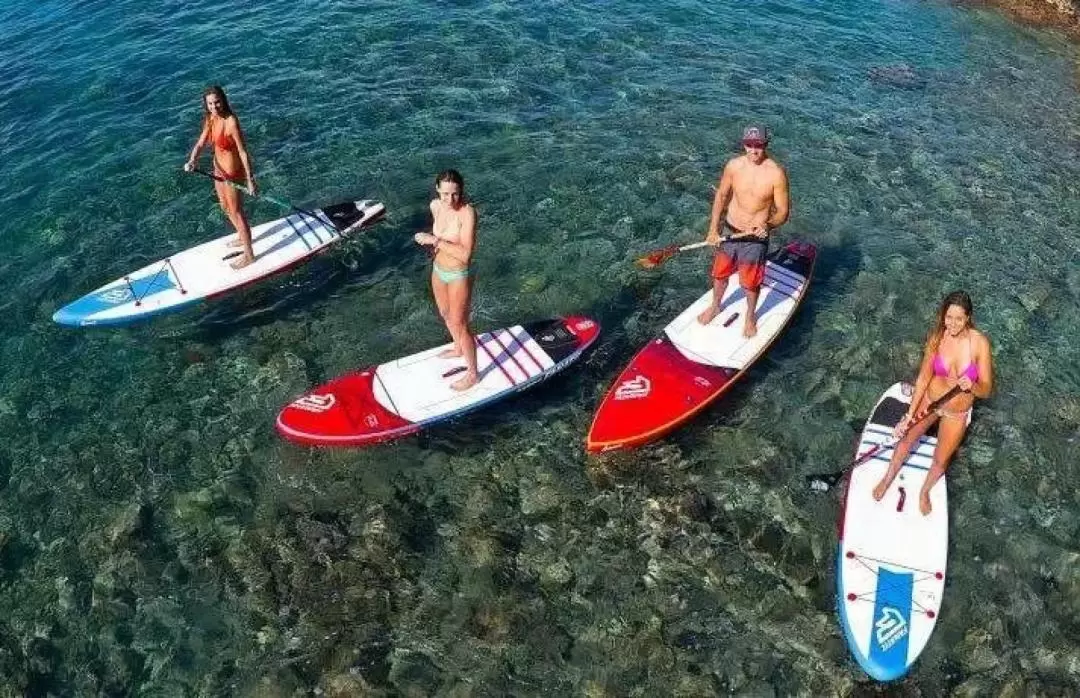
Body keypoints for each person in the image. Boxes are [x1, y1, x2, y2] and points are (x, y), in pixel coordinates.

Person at [872, 291, 994, 515]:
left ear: (968, 317)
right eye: (948, 317)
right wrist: (909, 415)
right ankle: (887, 477)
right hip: (932, 401)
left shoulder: (979, 344)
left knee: (941, 459)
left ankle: (924, 491)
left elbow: (986, 390)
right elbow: (923, 378)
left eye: (958, 318)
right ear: (943, 316)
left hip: (957, 413)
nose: (953, 324)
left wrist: (972, 387)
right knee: (907, 438)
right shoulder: (937, 337)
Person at [696, 125, 790, 337]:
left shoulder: (776, 173)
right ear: (743, 144)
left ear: (766, 144)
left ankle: (750, 316)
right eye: (749, 145)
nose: (754, 150)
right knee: (719, 275)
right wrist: (712, 229)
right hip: (730, 230)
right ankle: (716, 305)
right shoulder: (734, 166)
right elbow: (721, 197)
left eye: (759, 145)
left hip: (754, 240)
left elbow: (783, 211)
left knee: (749, 283)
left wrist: (768, 226)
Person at [413, 170, 478, 391]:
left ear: (462, 191)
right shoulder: (435, 206)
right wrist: (429, 242)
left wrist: (433, 240)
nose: (450, 200)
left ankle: (473, 373)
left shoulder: (467, 213)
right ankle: (458, 349)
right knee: (445, 314)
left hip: (458, 274)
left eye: (456, 194)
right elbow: (439, 235)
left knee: (460, 324)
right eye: (445, 194)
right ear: (438, 191)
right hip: (438, 270)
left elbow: (465, 255)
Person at [183, 86, 259, 270]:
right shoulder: (210, 118)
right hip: (218, 170)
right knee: (225, 207)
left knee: (236, 211)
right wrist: (192, 160)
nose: (214, 106)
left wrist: (250, 179)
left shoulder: (231, 121)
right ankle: (242, 237)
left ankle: (249, 255)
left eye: (217, 102)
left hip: (233, 175)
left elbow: (242, 151)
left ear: (223, 100)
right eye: (210, 103)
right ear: (206, 105)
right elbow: (201, 142)